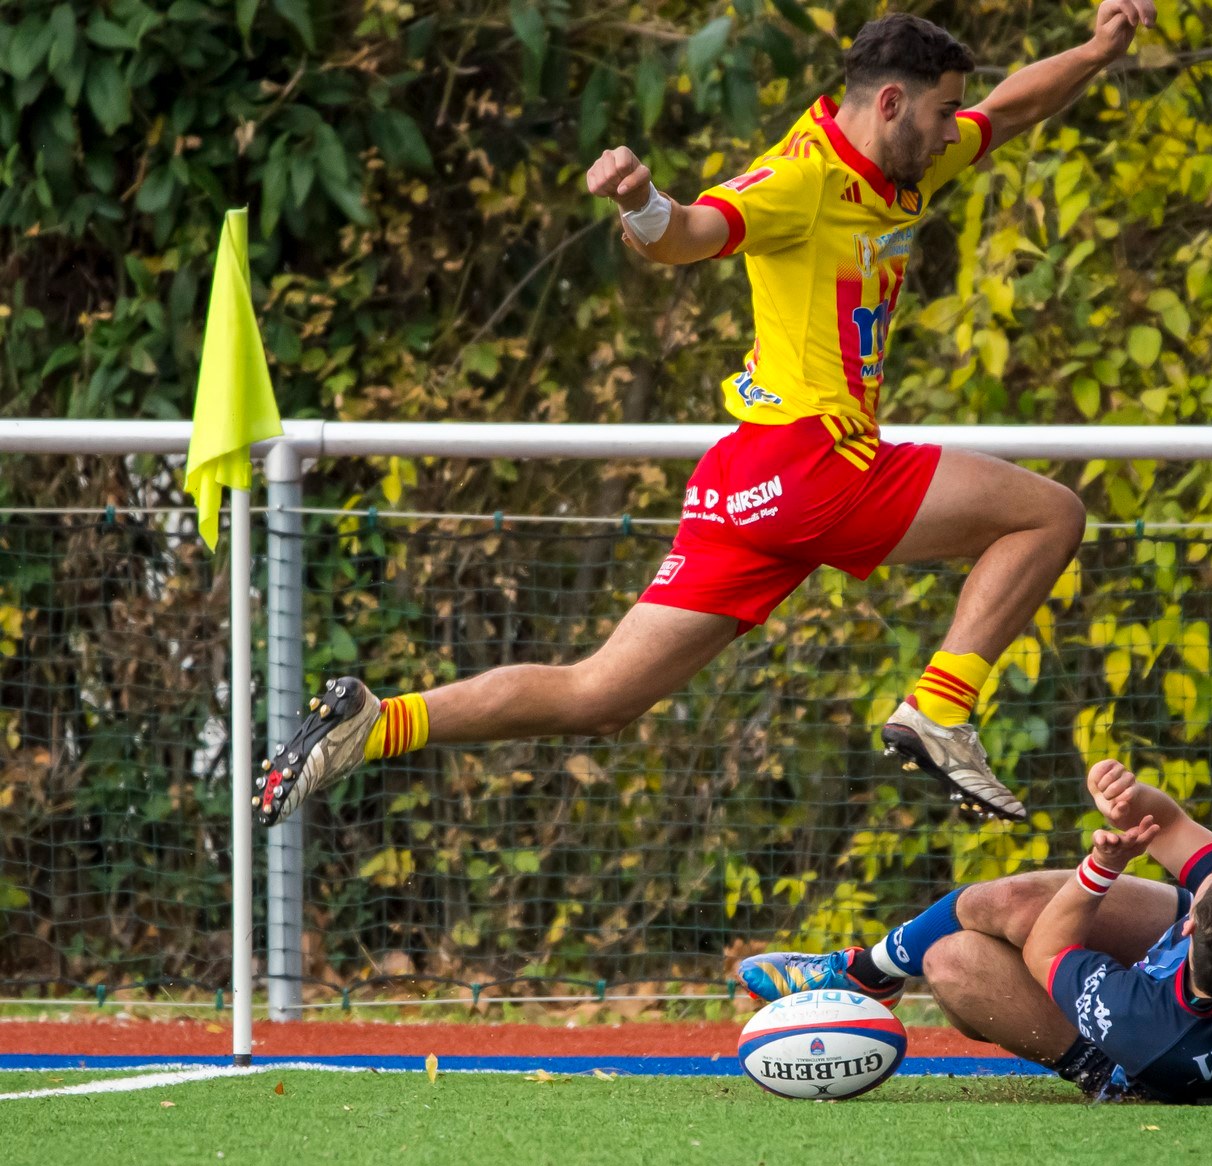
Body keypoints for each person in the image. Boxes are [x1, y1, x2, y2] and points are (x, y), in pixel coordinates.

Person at [254, 3, 1160, 829]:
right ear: (891, 103)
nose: (951, 128)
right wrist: (639, 201)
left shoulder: (910, 153)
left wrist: (1094, 50)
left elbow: (1005, 110)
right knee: (1051, 513)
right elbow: (687, 233)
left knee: (599, 694)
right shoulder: (800, 177)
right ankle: (943, 706)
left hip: (744, 481)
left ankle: (377, 722)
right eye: (937, 113)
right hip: (815, 463)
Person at [737, 757, 1212, 1104]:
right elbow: (1170, 824)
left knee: (953, 962)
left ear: (1190, 925)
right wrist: (1132, 802)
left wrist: (1104, 866)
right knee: (1014, 900)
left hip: (1153, 1056)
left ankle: (1106, 1078)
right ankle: (868, 976)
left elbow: (1051, 947)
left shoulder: (1142, 1020)